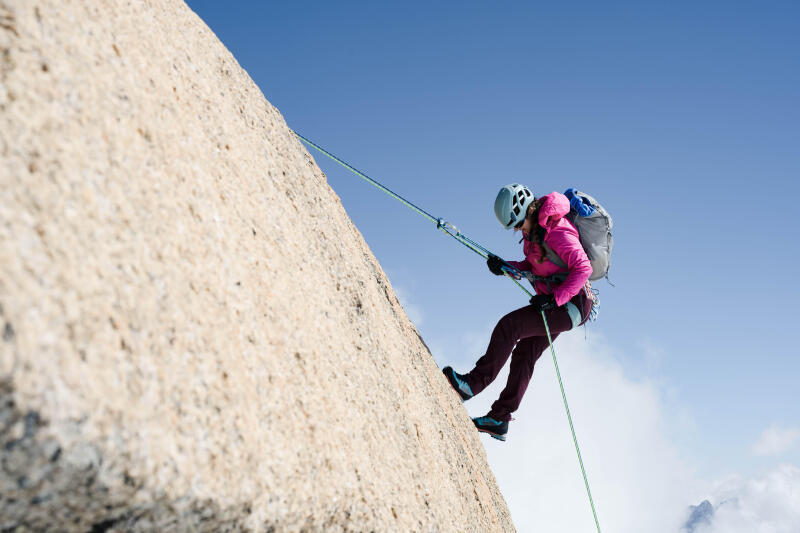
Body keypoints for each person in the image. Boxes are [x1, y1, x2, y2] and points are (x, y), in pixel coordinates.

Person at [442, 184, 595, 441]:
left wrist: (553, 300)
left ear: (529, 211)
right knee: (525, 353)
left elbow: (583, 268)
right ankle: (499, 419)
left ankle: (470, 385)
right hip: (562, 303)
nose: (517, 230)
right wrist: (505, 267)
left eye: (518, 223)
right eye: (513, 226)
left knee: (509, 326)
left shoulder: (557, 231)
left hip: (571, 304)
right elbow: (533, 266)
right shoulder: (535, 232)